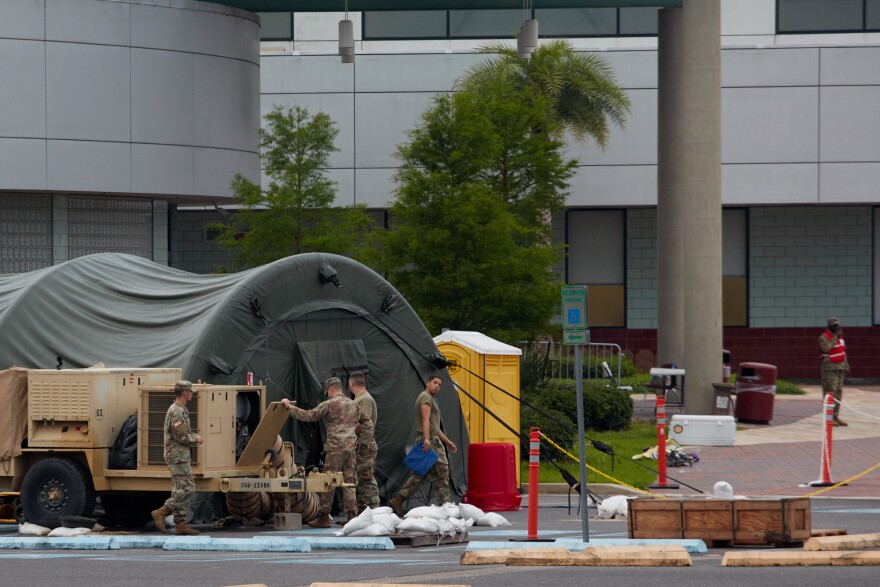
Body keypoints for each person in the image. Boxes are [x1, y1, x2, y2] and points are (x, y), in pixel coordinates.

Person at [281, 376, 372, 528]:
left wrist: (289, 407)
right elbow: (367, 422)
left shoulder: (329, 404)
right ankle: (351, 517)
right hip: (350, 449)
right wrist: (356, 437)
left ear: (330, 390)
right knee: (349, 482)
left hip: (334, 449)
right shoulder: (353, 404)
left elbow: (309, 415)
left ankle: (324, 518)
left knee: (328, 483)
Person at [388, 375, 457, 515]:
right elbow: (425, 419)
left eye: (439, 384)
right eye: (435, 383)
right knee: (442, 471)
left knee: (421, 474)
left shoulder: (427, 398)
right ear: (427, 383)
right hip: (430, 441)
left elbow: (434, 426)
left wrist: (447, 441)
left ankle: (398, 500)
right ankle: (446, 505)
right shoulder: (426, 398)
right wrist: (427, 439)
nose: (437, 386)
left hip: (431, 438)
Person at [151, 380, 203, 535]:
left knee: (181, 489)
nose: (192, 393)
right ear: (185, 392)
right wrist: (196, 438)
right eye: (190, 391)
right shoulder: (177, 411)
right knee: (188, 488)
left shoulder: (181, 409)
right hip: (177, 456)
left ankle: (180, 525)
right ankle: (162, 511)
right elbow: (181, 436)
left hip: (180, 455)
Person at [349, 371, 380, 512]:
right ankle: (362, 513)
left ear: (351, 383)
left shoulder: (365, 400)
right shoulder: (359, 399)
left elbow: (363, 423)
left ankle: (374, 510)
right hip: (359, 445)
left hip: (365, 445)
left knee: (366, 480)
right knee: (360, 481)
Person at [819, 316, 850, 426]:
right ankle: (828, 418)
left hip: (839, 367)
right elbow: (825, 349)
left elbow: (842, 351)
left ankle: (835, 416)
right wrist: (835, 337)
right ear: (829, 326)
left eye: (838, 325)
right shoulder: (824, 337)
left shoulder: (840, 338)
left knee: (838, 393)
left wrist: (846, 365)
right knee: (829, 393)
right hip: (829, 369)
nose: (837, 327)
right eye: (834, 325)